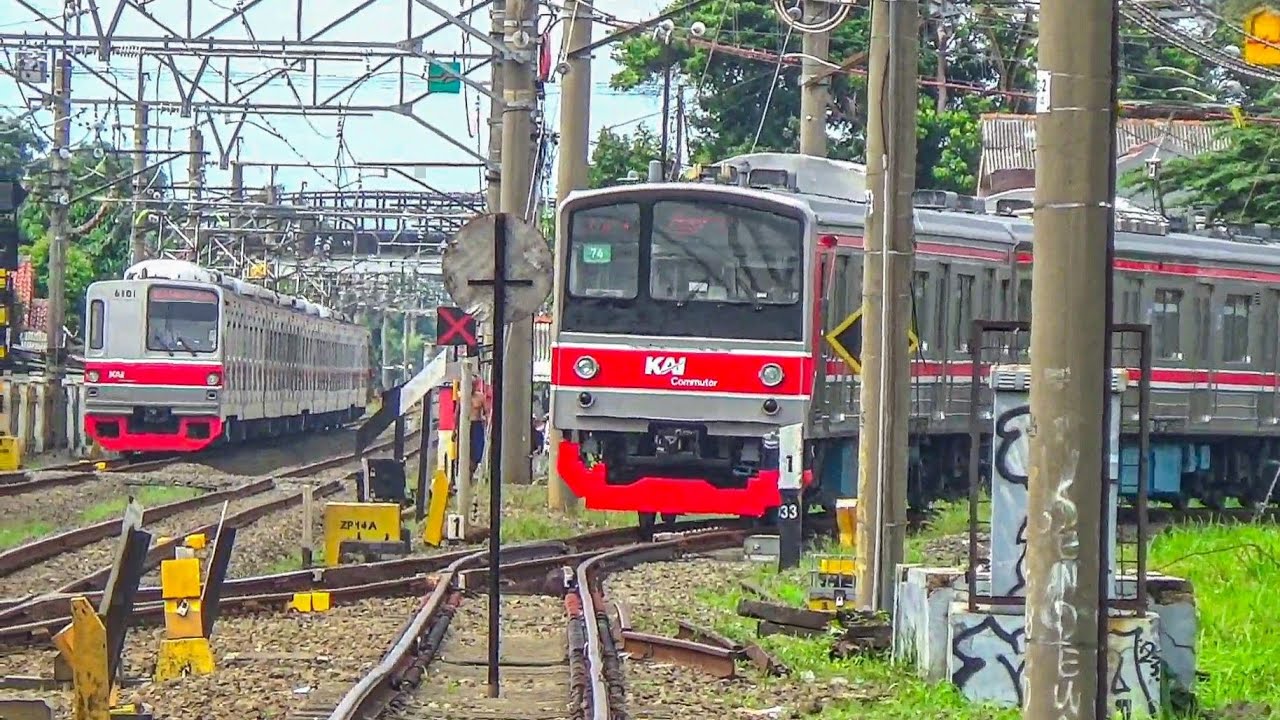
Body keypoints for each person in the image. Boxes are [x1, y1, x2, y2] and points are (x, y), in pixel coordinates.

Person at [469, 382, 487, 476]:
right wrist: (455, 429)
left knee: (477, 450)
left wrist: (487, 422)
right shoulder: (463, 396)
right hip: (466, 425)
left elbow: (486, 412)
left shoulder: (480, 397)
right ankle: (467, 475)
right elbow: (457, 412)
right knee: (467, 451)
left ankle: (472, 472)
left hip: (477, 424)